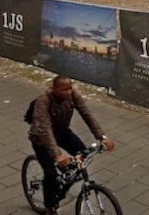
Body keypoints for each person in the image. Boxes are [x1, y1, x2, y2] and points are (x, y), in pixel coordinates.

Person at [28, 75, 116, 215]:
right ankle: (49, 207)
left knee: (82, 156)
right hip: (41, 139)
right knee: (50, 173)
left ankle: (63, 184)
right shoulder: (43, 101)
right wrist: (57, 155)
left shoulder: (72, 94)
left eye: (70, 88)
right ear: (54, 89)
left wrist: (102, 137)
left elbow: (86, 113)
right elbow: (44, 129)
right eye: (64, 90)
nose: (69, 92)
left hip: (62, 133)